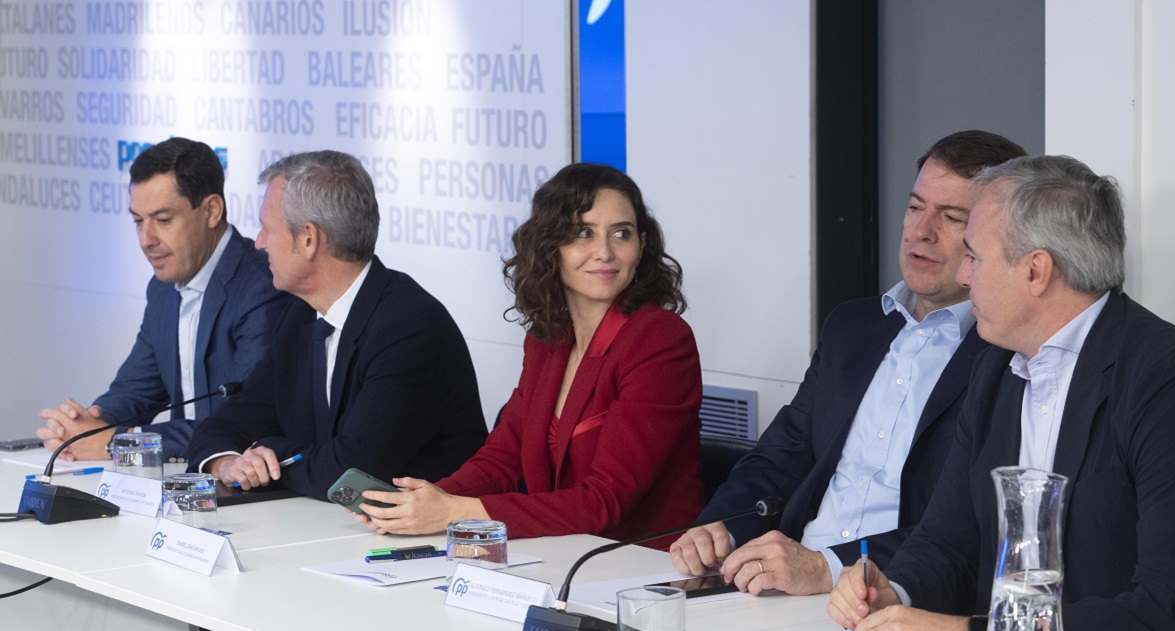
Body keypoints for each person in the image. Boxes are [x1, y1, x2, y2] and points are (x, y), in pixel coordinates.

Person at [827, 154, 1175, 631]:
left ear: (1035, 270)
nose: (962, 275)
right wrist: (897, 591)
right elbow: (949, 539)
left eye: (974, 258)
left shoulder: (1174, 386)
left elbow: (1170, 613)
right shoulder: (995, 367)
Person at [669, 131, 1025, 594]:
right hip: (784, 585)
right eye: (915, 207)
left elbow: (967, 525)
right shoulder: (854, 326)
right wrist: (721, 528)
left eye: (952, 217)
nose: (921, 231)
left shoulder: (1007, 355)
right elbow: (783, 455)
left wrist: (828, 567)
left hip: (890, 595)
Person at [354, 163, 702, 547]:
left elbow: (604, 502)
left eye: (621, 234)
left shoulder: (660, 341)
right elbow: (502, 458)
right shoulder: (548, 340)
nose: (604, 252)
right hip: (557, 553)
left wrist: (454, 512)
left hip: (639, 569)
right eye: (582, 233)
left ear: (641, 246)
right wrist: (422, 503)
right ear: (550, 246)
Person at [186, 150, 486, 501]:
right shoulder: (298, 317)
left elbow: (352, 473)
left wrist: (267, 451)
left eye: (268, 229)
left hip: (424, 543)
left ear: (309, 239)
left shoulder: (408, 327)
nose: (258, 242)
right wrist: (226, 463)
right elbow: (226, 423)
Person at [35, 137, 287, 460]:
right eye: (139, 221)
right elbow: (135, 390)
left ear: (211, 211)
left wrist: (118, 442)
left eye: (163, 220)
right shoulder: (163, 288)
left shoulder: (261, 286)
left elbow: (240, 423)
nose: (146, 240)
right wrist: (87, 424)